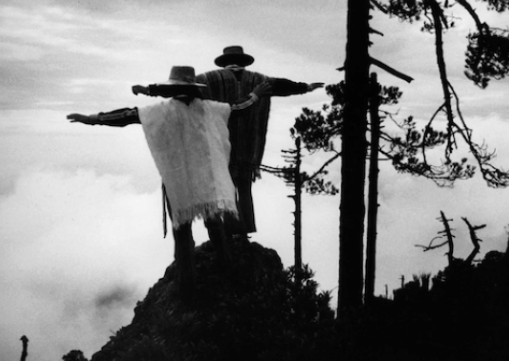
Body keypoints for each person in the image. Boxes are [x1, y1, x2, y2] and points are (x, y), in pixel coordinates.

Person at [67, 66, 271, 301]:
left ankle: (188, 289)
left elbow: (128, 115)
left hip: (178, 181)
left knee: (183, 234)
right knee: (214, 224)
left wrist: (93, 119)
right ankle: (227, 269)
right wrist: (255, 95)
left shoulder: (162, 111)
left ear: (173, 89)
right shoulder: (208, 110)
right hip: (205, 179)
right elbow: (238, 109)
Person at [196, 46, 324, 238]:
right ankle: (245, 228)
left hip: (222, 145)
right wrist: (305, 87)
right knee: (245, 187)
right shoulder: (258, 80)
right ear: (244, 62)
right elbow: (283, 86)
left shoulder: (211, 79)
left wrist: (153, 90)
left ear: (224, 62)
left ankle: (231, 228)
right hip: (249, 146)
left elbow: (189, 86)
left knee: (226, 187)